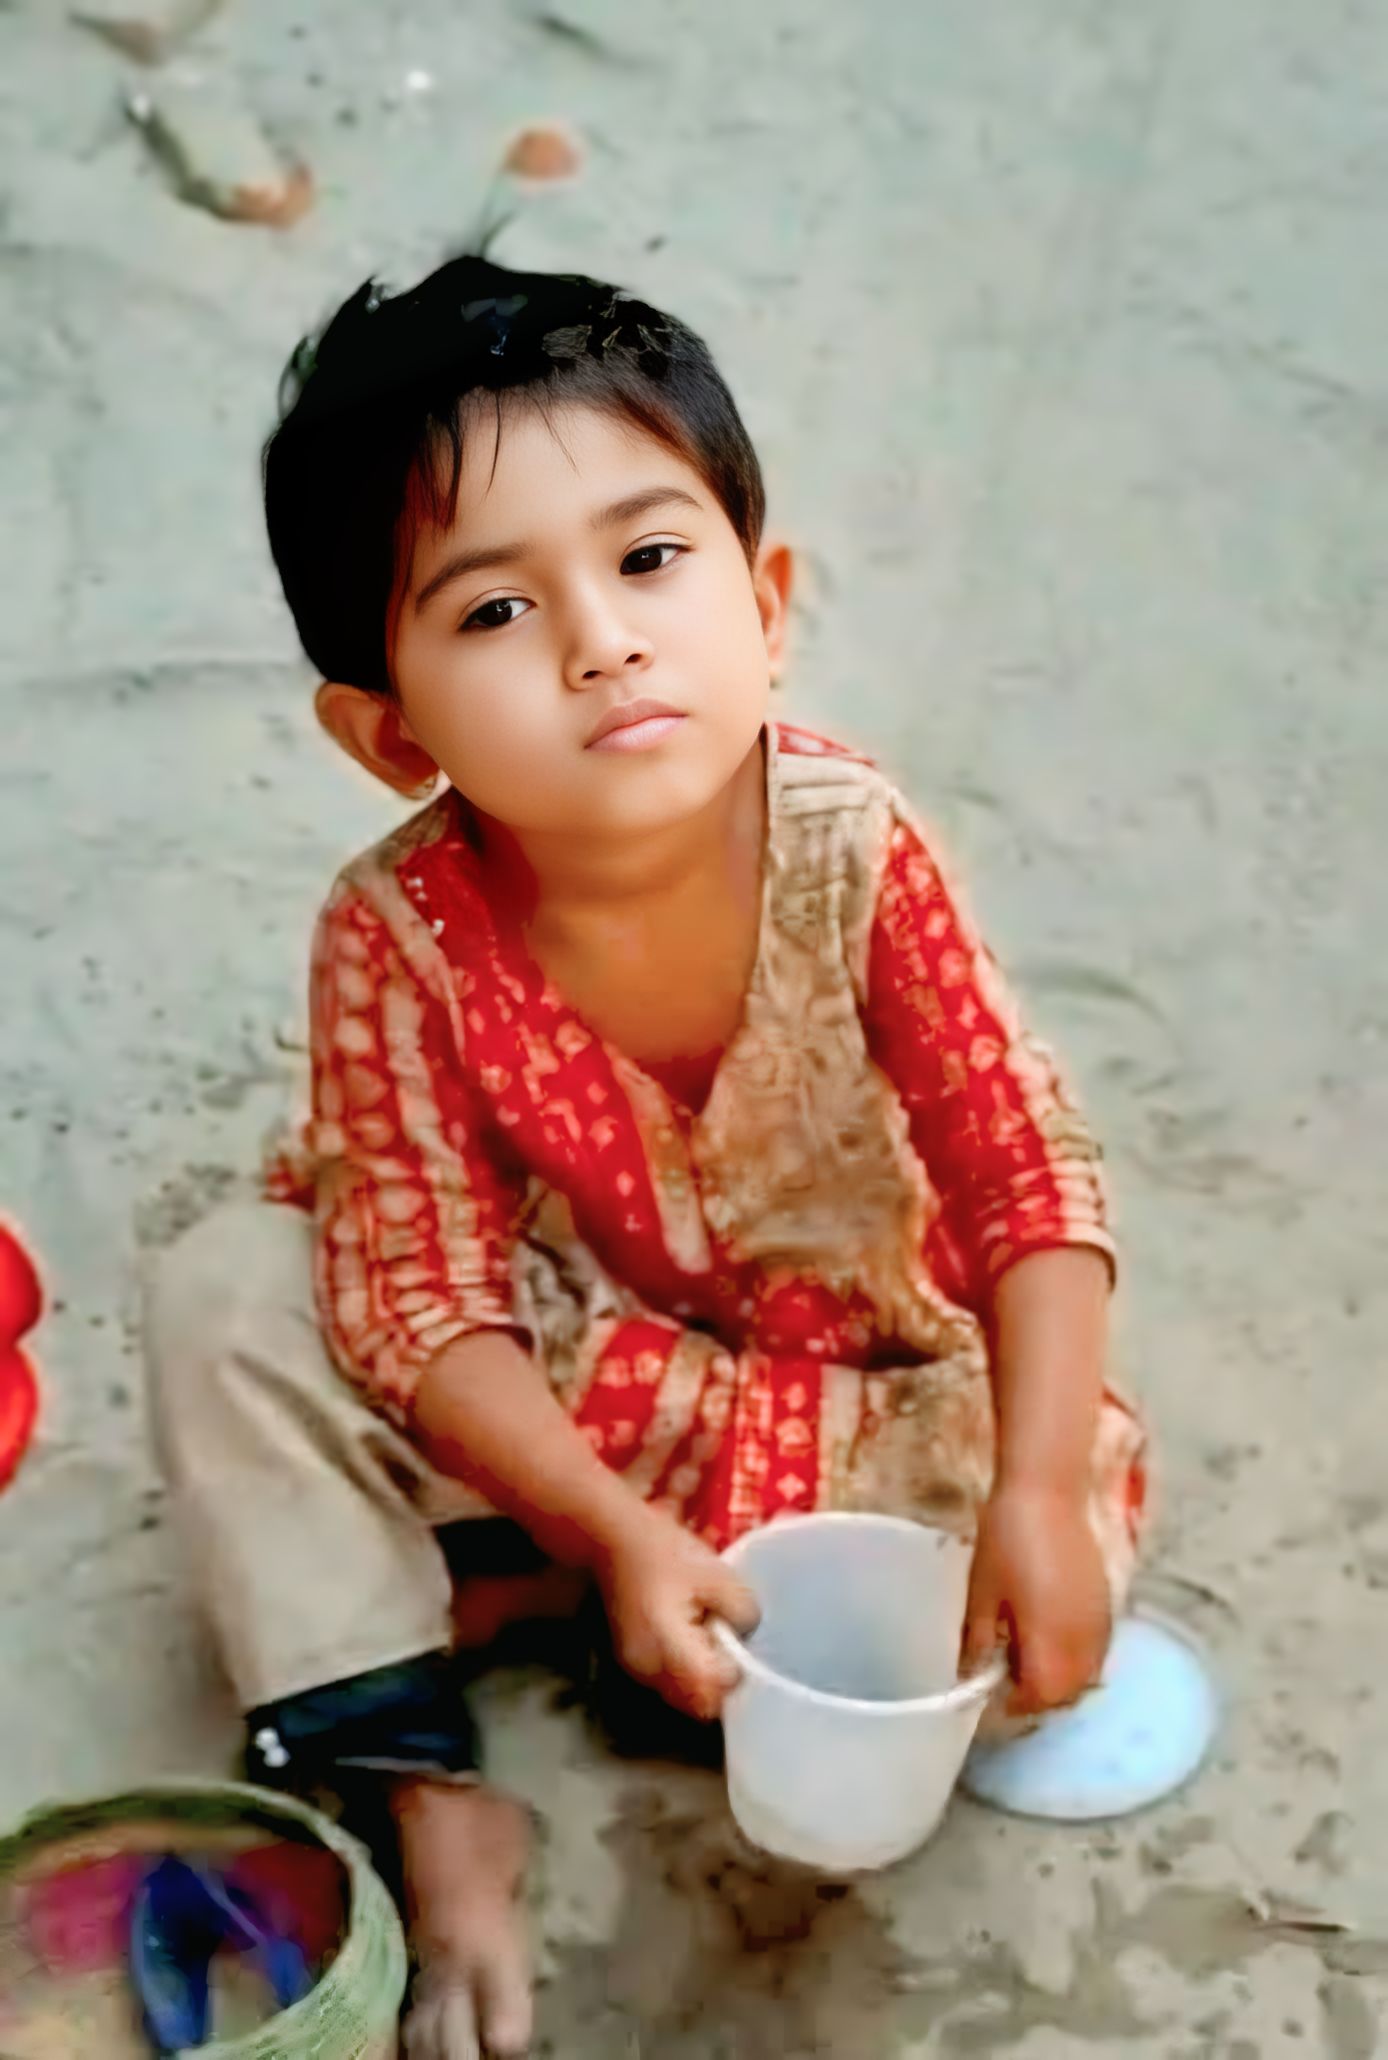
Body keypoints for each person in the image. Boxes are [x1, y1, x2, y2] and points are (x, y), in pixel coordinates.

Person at [145, 254, 1146, 2060]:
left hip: (868, 1385)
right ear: (389, 733)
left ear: (766, 602)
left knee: (1018, 1612)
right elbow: (424, 1294)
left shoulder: (854, 844)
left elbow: (1023, 1164)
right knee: (229, 1299)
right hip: (576, 1362)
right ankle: (442, 1807)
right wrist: (612, 1526)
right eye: (493, 610)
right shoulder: (398, 933)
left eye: (652, 559)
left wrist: (1041, 1488)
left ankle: (518, 1594)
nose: (601, 640)